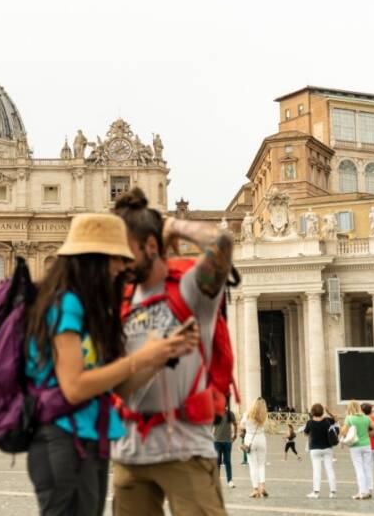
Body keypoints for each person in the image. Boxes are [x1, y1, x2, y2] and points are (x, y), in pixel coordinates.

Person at [25, 212, 197, 516]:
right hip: (62, 439)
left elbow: (116, 386)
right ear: (94, 259)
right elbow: (75, 387)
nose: (123, 266)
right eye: (116, 258)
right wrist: (140, 357)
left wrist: (161, 355)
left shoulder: (91, 309)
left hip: (90, 437)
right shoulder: (65, 304)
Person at [111, 188, 235, 515]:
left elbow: (221, 243)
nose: (119, 262)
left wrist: (172, 225)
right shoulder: (119, 300)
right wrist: (160, 353)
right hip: (129, 456)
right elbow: (119, 386)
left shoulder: (191, 288)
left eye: (125, 253)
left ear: (152, 246)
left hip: (186, 452)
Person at [341, 400, 374, 500]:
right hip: (367, 445)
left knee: (359, 469)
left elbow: (343, 431)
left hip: (355, 446)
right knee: (367, 468)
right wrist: (368, 434)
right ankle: (368, 491)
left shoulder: (349, 418)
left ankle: (362, 492)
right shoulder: (366, 418)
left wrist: (343, 431)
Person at [303, 403, 337, 499]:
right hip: (327, 448)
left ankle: (316, 492)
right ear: (322, 412)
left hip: (315, 449)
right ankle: (333, 492)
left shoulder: (310, 423)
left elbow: (305, 434)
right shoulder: (327, 421)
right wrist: (329, 411)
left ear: (312, 412)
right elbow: (336, 419)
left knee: (316, 471)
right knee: (329, 469)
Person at [241, 398, 268, 499]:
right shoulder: (264, 415)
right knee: (261, 465)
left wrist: (247, 428)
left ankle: (255, 489)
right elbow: (265, 425)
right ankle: (262, 487)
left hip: (250, 440)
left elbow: (242, 425)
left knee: (253, 465)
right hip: (261, 438)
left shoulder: (247, 414)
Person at [212, 402, 238, 489]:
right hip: (217, 441)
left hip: (227, 441)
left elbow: (235, 424)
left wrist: (235, 435)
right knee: (217, 462)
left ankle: (230, 480)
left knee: (227, 462)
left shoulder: (230, 414)